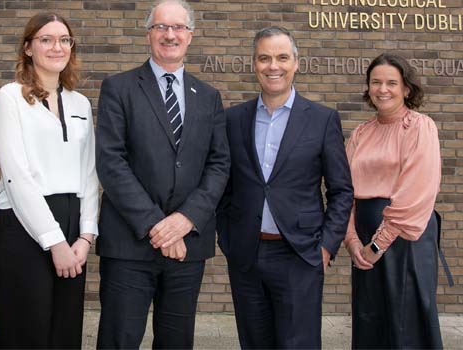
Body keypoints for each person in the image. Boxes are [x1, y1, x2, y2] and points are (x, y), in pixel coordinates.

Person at [94, 0, 230, 348]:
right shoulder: (118, 88)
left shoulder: (209, 97)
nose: (170, 35)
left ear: (190, 36)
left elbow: (219, 165)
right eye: (161, 27)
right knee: (119, 340)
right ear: (148, 34)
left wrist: (185, 220)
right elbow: (111, 162)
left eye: (178, 28)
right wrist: (160, 227)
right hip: (130, 243)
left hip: (189, 247)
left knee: (176, 342)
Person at [216, 26, 353, 349]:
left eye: (281, 58)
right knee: (254, 342)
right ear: (254, 64)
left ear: (296, 63)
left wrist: (326, 246)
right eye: (264, 58)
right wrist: (229, 238)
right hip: (246, 254)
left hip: (300, 254)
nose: (272, 66)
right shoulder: (233, 119)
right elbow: (223, 185)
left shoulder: (322, 119)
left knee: (299, 344)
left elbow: (341, 191)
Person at [0, 12, 99, 349]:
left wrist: (86, 235)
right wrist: (55, 242)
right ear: (28, 48)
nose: (57, 47)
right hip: (22, 226)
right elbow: (16, 177)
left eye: (64, 40)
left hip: (71, 225)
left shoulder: (80, 103)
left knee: (64, 334)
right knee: (26, 333)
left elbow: (90, 172)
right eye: (46, 40)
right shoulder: (10, 97)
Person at [344, 53, 443, 349]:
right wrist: (351, 241)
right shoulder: (360, 133)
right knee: (370, 318)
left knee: (406, 323)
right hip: (363, 242)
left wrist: (378, 244)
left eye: (391, 83)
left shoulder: (420, 127)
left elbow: (416, 190)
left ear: (406, 89)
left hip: (404, 239)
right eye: (376, 82)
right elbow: (344, 191)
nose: (382, 89)